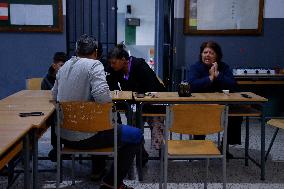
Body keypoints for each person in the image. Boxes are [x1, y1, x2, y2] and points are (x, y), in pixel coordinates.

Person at [52, 34, 142, 189]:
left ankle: (102, 172)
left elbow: (54, 95)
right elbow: (102, 98)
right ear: (95, 51)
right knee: (136, 135)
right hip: (87, 135)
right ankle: (111, 182)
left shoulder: (64, 66)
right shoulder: (95, 65)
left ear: (76, 50)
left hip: (64, 135)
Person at [108, 44, 166, 159]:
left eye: (114, 62)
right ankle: (140, 152)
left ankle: (161, 153)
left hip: (154, 103)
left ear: (123, 60)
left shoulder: (140, 65)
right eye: (110, 63)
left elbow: (153, 87)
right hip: (136, 105)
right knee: (133, 125)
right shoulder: (116, 70)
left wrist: (136, 95)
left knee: (156, 125)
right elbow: (112, 86)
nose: (111, 65)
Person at [187, 41, 243, 157]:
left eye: (211, 53)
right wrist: (210, 78)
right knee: (201, 112)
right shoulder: (195, 67)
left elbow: (233, 85)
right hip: (200, 105)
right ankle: (199, 145)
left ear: (217, 55)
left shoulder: (224, 67)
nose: (207, 55)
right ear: (201, 54)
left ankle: (224, 146)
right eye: (205, 52)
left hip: (221, 106)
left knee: (236, 114)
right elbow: (191, 85)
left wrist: (217, 75)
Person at [41, 52, 67, 162]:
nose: (63, 68)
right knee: (55, 117)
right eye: (61, 65)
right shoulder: (46, 80)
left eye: (65, 66)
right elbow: (45, 100)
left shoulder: (68, 77)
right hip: (52, 112)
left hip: (67, 110)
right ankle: (57, 147)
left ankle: (66, 145)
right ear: (54, 65)